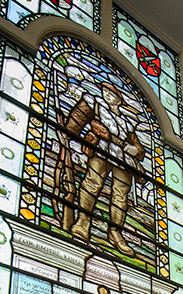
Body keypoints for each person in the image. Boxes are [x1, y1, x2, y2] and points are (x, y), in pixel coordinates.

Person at [57, 80, 145, 256]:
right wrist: (67, 133)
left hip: (123, 159)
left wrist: (135, 149)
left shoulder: (126, 124)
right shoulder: (95, 105)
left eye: (112, 94)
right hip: (101, 150)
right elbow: (77, 119)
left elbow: (140, 151)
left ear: (120, 100)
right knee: (92, 183)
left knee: (121, 195)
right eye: (106, 91)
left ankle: (115, 233)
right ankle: (83, 222)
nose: (107, 95)